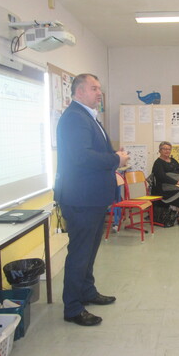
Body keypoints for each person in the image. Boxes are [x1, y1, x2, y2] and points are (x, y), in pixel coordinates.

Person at [54, 74, 129, 327]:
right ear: (78, 91)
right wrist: (115, 160)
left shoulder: (87, 116)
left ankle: (87, 291)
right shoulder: (75, 118)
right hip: (81, 199)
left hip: (92, 198)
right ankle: (73, 307)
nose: (99, 93)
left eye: (100, 88)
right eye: (94, 88)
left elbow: (93, 152)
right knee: (80, 253)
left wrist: (114, 155)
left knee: (89, 252)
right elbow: (82, 158)